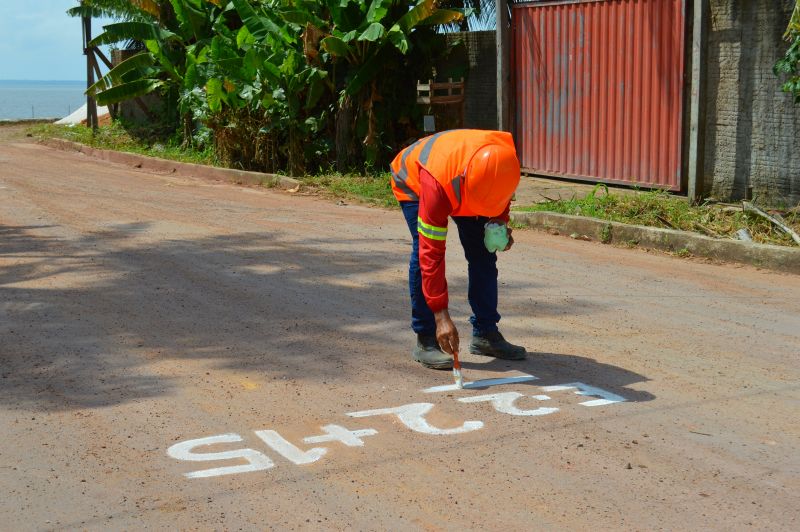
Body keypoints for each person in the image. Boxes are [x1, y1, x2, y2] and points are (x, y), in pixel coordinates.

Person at [390, 129, 527, 369]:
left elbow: (500, 200)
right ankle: (426, 339)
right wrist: (441, 316)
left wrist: (500, 225)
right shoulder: (437, 186)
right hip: (415, 181)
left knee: (483, 254)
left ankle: (485, 333)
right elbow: (431, 254)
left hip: (464, 180)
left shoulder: (503, 165)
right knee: (421, 254)